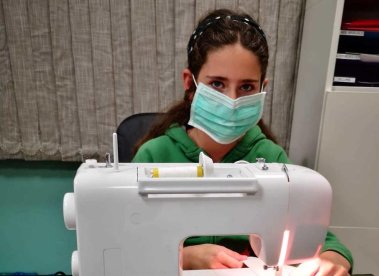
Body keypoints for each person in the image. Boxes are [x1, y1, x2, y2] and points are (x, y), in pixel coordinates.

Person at [132, 9, 353, 275]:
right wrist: (184, 257)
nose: (232, 100)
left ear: (263, 88)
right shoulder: (154, 157)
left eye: (247, 87)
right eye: (217, 84)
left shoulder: (271, 158)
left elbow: (321, 240)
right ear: (189, 83)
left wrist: (332, 261)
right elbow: (126, 240)